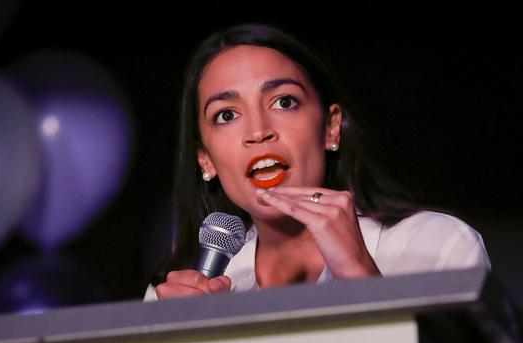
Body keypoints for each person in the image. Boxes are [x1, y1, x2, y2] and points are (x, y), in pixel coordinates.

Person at [144, 23, 490, 301]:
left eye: (283, 102)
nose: (259, 131)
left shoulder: (435, 246)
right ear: (206, 160)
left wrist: (360, 278)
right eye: (227, 114)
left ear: (330, 128)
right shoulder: (177, 296)